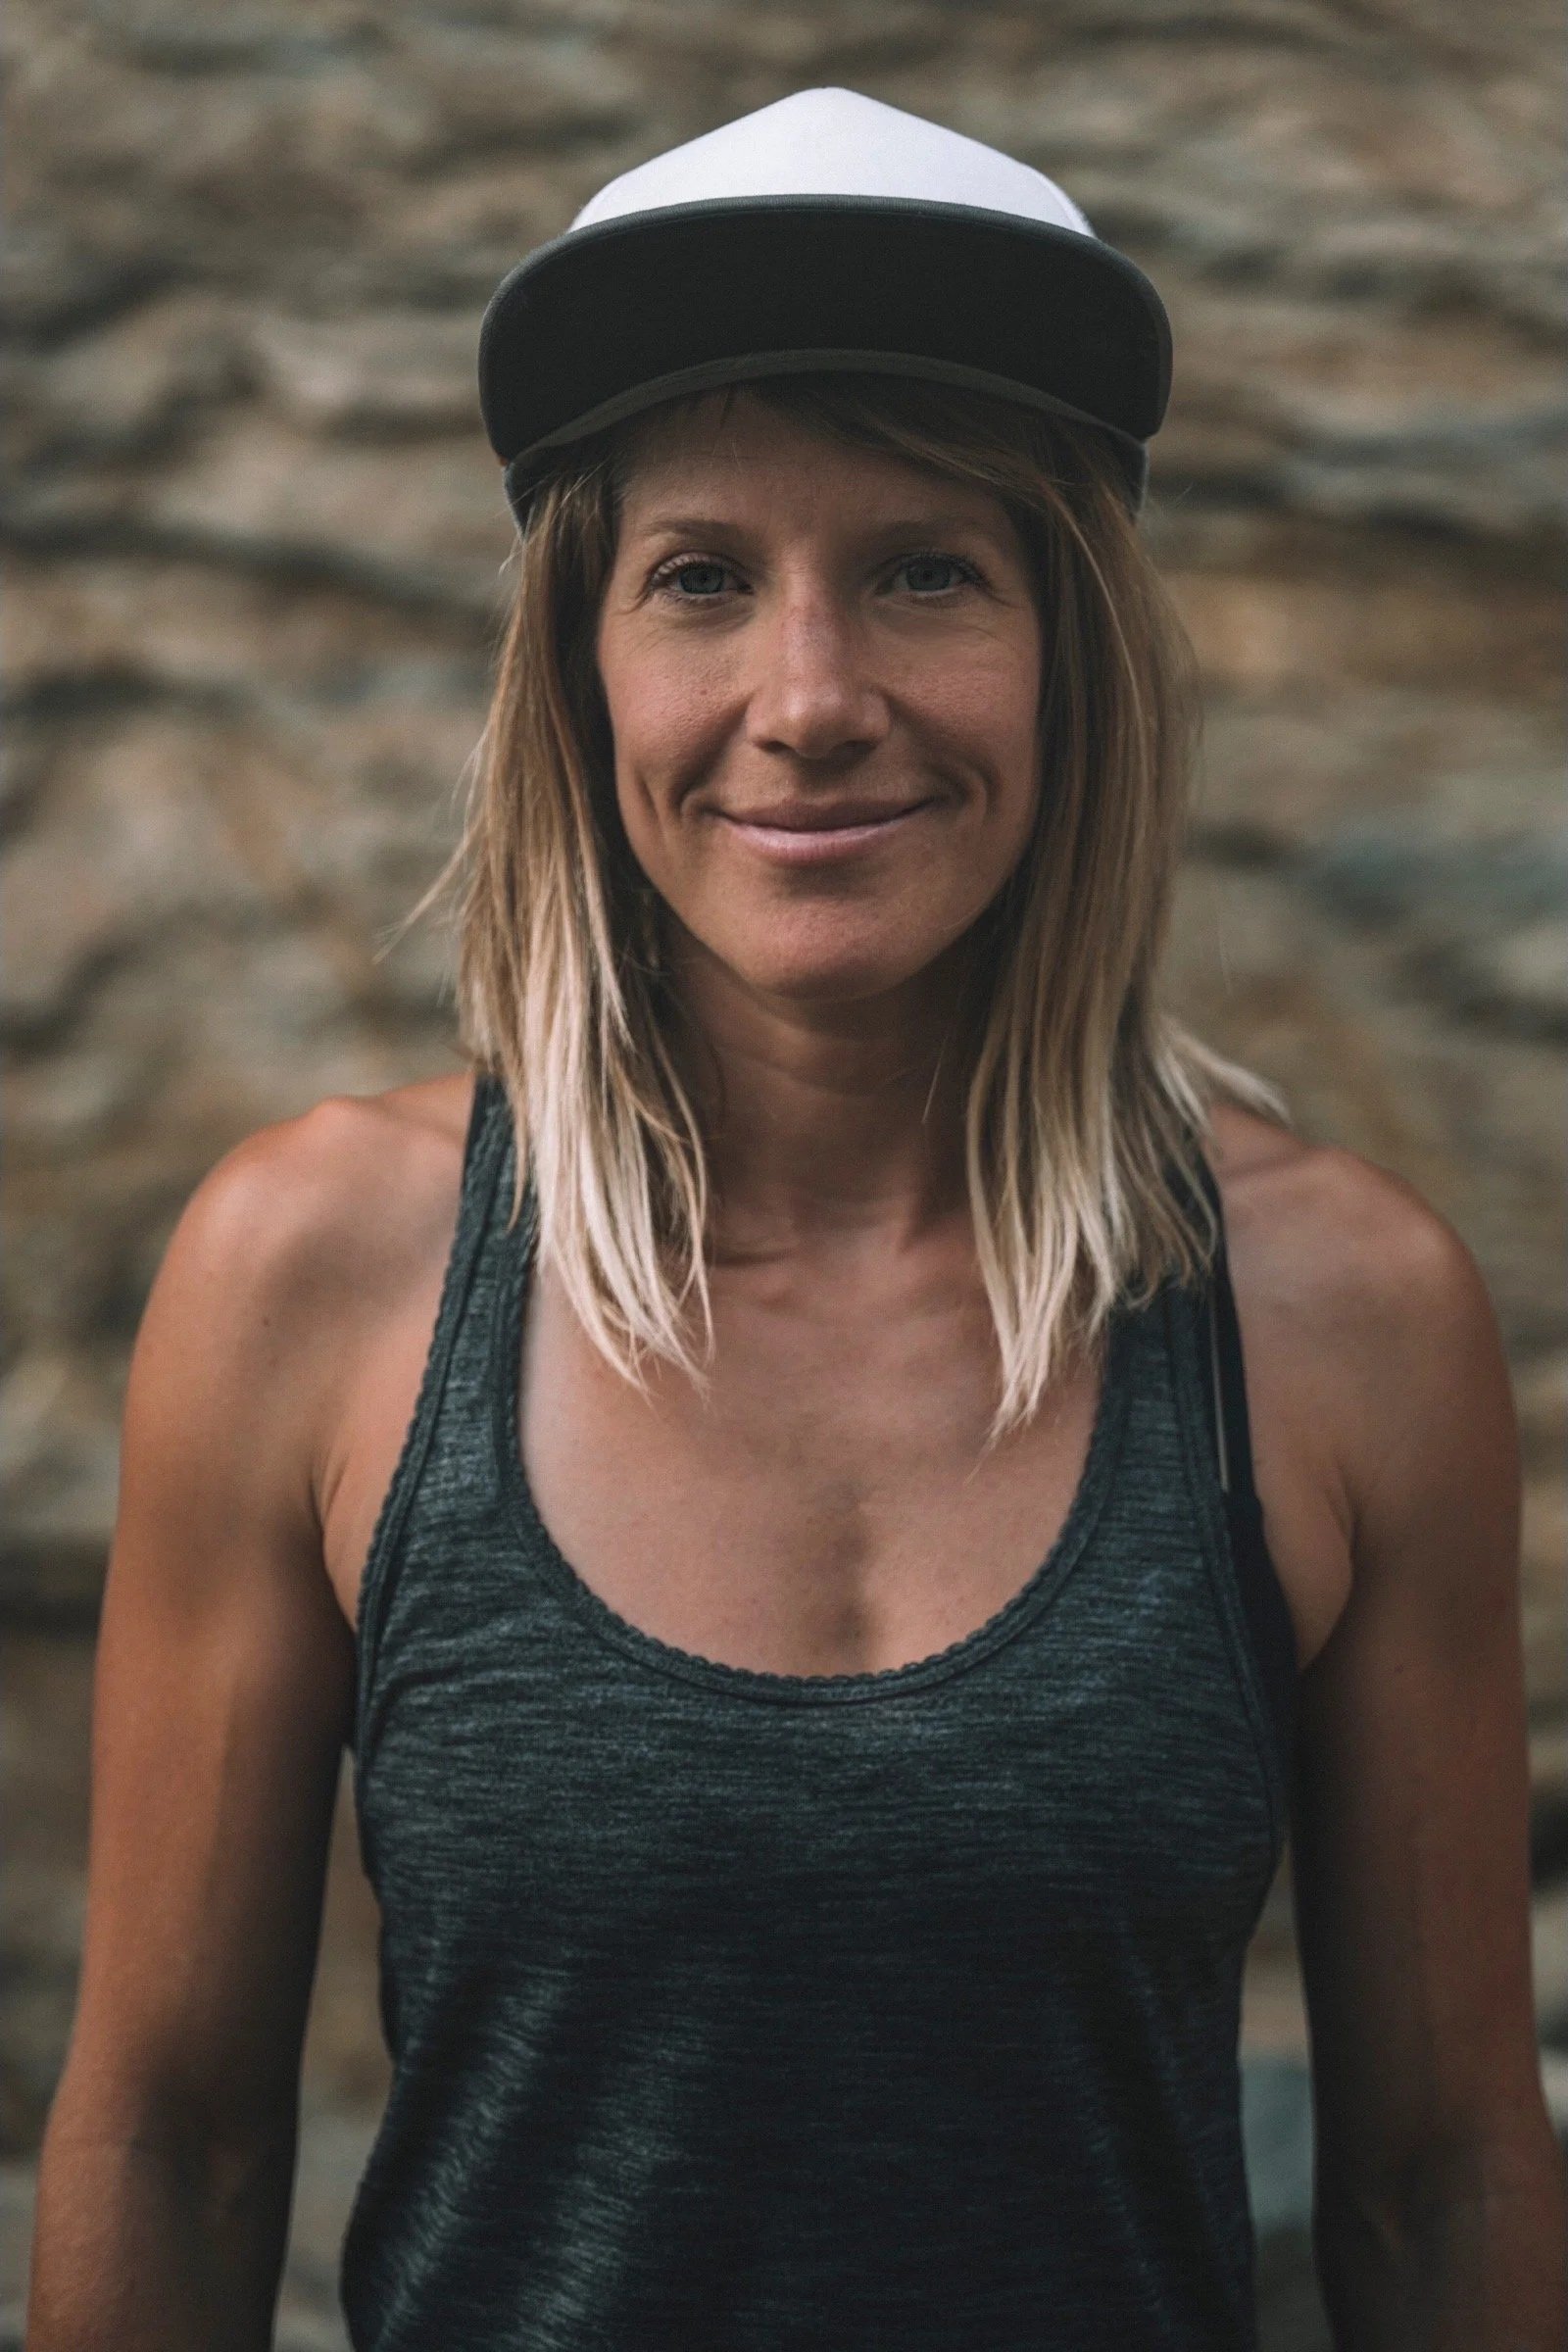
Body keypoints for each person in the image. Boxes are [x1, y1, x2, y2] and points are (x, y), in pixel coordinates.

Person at [25, 85, 1564, 2352]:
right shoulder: (316, 1279)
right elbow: (170, 2133)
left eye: (925, 570)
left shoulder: (1332, 1319)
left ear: (1072, 653)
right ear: (580, 673)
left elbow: (1439, 2181)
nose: (810, 701)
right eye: (702, 579)